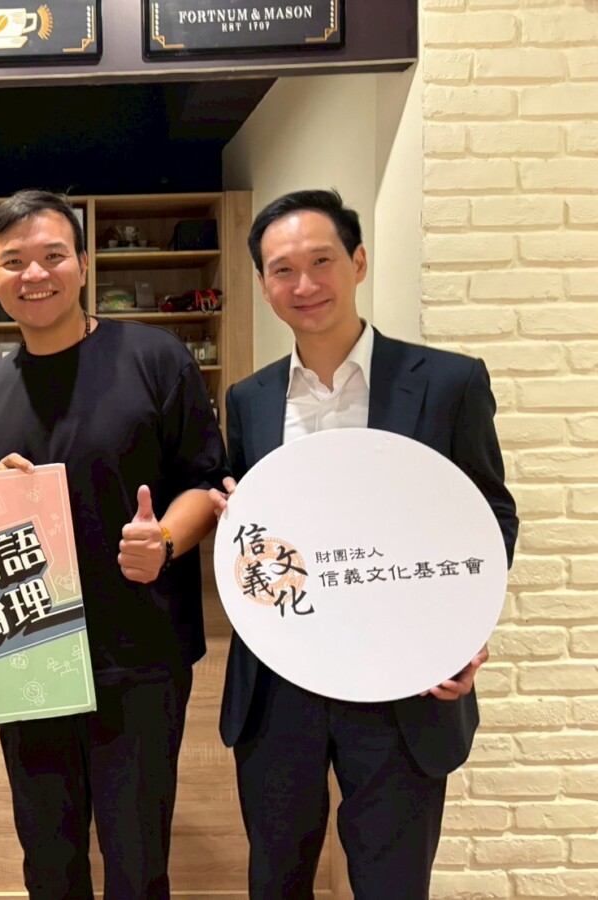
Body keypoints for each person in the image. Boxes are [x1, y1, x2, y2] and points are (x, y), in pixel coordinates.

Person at [210, 189, 519, 899]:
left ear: (358, 262)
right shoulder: (250, 399)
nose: (305, 284)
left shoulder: (448, 382)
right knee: (276, 878)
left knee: (393, 883)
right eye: (283, 270)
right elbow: (264, 538)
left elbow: (488, 517)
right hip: (281, 680)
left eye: (322, 261)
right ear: (262, 284)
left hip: (402, 680)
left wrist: (460, 632)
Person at [0, 189, 229, 899]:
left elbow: (206, 483)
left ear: (82, 262)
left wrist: (164, 539)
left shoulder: (155, 358)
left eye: (52, 255)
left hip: (140, 655)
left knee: (137, 866)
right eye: (13, 261)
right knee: (49, 865)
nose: (34, 274)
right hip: (28, 662)